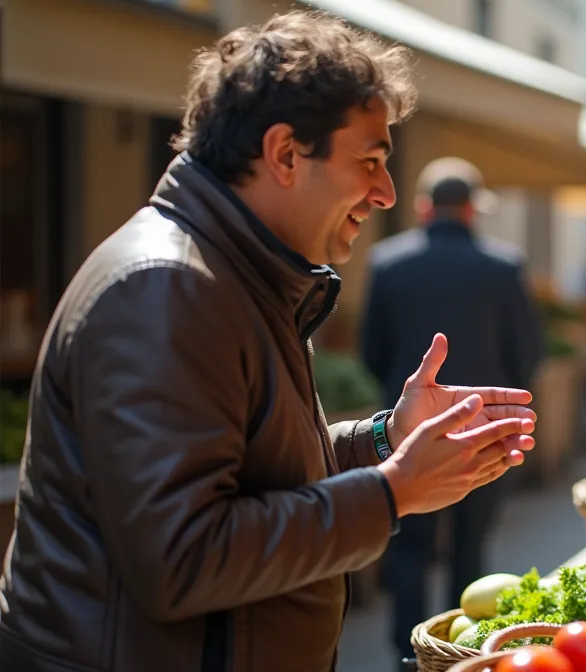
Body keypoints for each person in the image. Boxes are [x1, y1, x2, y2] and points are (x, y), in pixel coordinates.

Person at [0, 13, 536, 671]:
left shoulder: (232, 273)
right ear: (284, 154)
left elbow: (258, 480)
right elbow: (181, 558)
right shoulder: (168, 288)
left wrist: (384, 440)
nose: (385, 192)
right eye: (368, 161)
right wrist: (393, 490)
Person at [360, 156, 544, 665]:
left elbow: (370, 351)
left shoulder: (387, 262)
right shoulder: (503, 266)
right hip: (485, 427)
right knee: (470, 544)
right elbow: (528, 351)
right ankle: (461, 652)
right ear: (472, 209)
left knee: (409, 545)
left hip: (408, 431)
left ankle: (407, 651)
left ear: (423, 208)